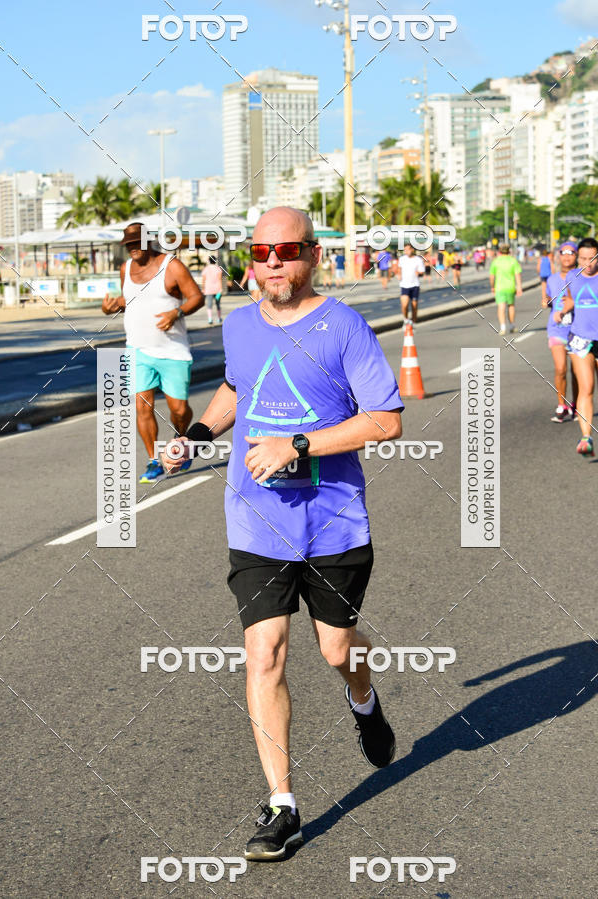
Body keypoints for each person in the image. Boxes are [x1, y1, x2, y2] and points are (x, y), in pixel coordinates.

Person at [162, 207, 403, 861]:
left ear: (313, 255)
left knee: (335, 650)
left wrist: (298, 444)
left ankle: (364, 696)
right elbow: (237, 385)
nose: (272, 261)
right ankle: (284, 805)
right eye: (262, 250)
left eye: (287, 249)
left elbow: (384, 421)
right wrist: (198, 435)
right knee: (263, 653)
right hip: (255, 521)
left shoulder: (344, 327)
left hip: (332, 522)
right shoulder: (239, 325)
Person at [102, 221, 204, 483]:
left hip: (173, 351)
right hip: (137, 349)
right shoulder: (125, 269)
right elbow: (131, 300)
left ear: (149, 241)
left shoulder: (172, 266)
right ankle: (152, 461)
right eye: (129, 245)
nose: (133, 249)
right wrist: (112, 307)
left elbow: (196, 297)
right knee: (142, 407)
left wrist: (176, 312)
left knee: (179, 410)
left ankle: (182, 440)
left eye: (137, 243)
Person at [554, 237, 598, 456]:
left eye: (592, 259)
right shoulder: (572, 276)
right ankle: (586, 437)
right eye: (582, 259)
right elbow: (571, 299)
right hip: (581, 338)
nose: (587, 263)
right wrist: (562, 310)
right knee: (586, 387)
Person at [543, 241, 578, 422]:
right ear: (558, 256)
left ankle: (576, 404)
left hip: (578, 330)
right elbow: (549, 299)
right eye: (563, 252)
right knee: (561, 368)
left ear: (576, 256)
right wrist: (548, 301)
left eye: (571, 252)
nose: (566, 256)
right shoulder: (552, 279)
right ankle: (562, 405)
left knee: (577, 372)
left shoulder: (582, 277)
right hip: (556, 329)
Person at [489, 243, 522, 334]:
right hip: (510, 287)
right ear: (509, 251)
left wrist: (492, 287)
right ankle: (512, 326)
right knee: (511, 306)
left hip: (499, 287)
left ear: (499, 251)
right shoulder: (513, 261)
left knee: (501, 307)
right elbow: (517, 275)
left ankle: (502, 327)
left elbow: (492, 276)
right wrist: (519, 287)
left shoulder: (496, 261)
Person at [397, 243, 425, 324]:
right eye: (405, 250)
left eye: (407, 249)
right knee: (404, 305)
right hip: (404, 285)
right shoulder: (402, 259)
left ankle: (414, 322)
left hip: (415, 285)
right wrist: (398, 274)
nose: (406, 251)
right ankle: (406, 320)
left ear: (412, 249)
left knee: (414, 306)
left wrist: (418, 273)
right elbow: (399, 268)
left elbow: (422, 272)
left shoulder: (418, 260)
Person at [201, 255, 223, 326]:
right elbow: (220, 279)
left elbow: (203, 280)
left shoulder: (206, 269)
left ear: (209, 261)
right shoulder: (218, 269)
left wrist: (203, 288)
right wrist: (220, 289)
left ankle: (210, 319)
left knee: (209, 305)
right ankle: (219, 318)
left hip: (208, 289)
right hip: (217, 289)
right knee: (218, 304)